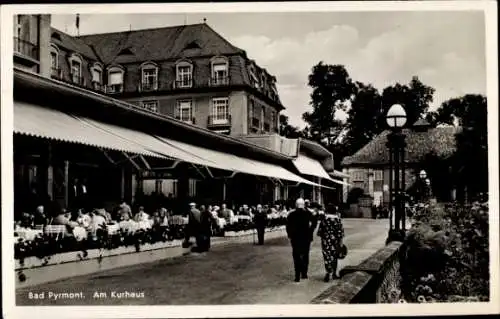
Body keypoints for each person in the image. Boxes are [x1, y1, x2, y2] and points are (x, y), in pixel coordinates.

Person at [286, 198, 318, 282]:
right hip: (306, 237)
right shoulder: (308, 214)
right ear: (303, 205)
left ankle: (297, 275)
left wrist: (290, 235)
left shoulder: (291, 214)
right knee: (305, 255)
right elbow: (314, 223)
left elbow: (288, 226)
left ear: (296, 205)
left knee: (296, 255)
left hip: (295, 238)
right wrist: (310, 231)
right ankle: (304, 273)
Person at [317, 205, 345, 282]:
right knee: (335, 257)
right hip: (335, 242)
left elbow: (320, 233)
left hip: (326, 242)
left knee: (327, 257)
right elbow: (341, 233)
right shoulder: (338, 220)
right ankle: (334, 274)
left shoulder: (324, 220)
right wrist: (341, 244)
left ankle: (328, 272)